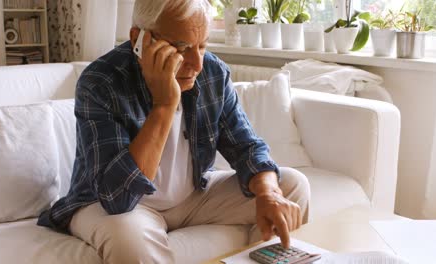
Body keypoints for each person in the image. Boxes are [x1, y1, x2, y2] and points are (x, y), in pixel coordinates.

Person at [37, 0, 311, 263]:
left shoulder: (213, 72)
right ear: (139, 40)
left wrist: (268, 194)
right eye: (180, 48)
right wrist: (165, 104)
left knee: (290, 186)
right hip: (110, 203)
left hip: (192, 196)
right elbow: (116, 198)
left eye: (201, 46)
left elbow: (246, 147)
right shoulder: (101, 81)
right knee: (129, 241)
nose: (197, 63)